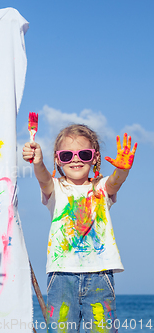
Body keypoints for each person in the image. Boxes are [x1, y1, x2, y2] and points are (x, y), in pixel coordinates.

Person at [22, 124, 137, 333]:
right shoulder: (55, 188)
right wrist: (37, 162)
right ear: (58, 159)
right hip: (61, 276)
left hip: (100, 275)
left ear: (94, 157)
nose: (75, 159)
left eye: (83, 154)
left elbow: (115, 182)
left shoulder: (101, 187)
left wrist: (123, 170)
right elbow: (43, 177)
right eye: (67, 155)